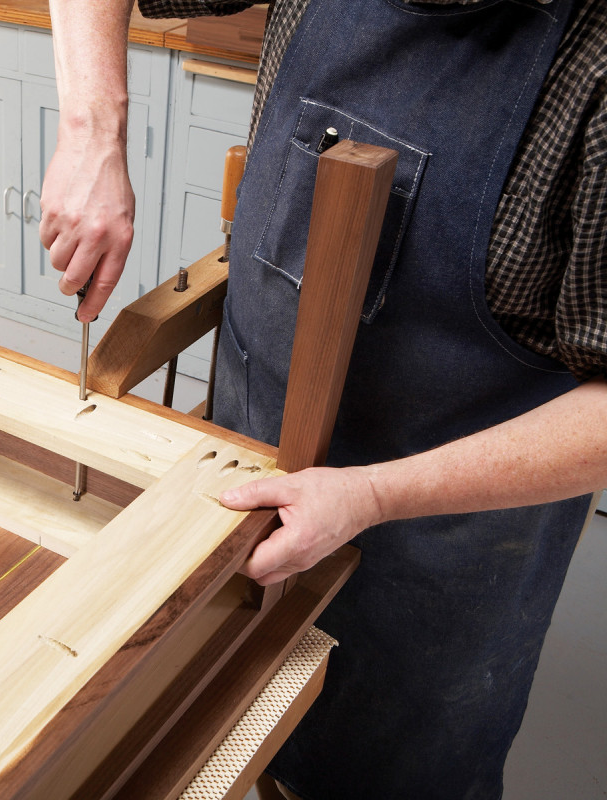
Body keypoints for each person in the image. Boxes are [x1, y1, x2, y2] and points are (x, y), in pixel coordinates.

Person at [39, 1, 607, 798]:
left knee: (389, 770)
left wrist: (373, 491)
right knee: (207, 730)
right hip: (245, 456)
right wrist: (92, 130)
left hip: (442, 535)